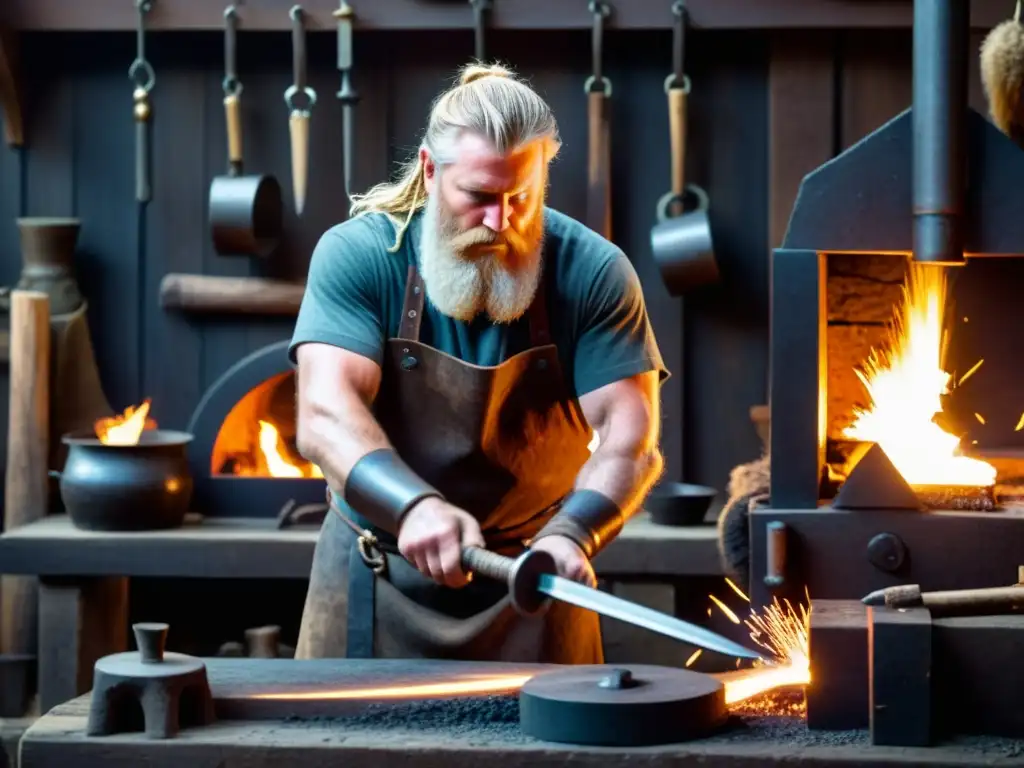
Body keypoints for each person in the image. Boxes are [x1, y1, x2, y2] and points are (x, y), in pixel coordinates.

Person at [289, 62, 668, 663]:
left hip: (537, 575)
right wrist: (413, 505)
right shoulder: (359, 255)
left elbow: (629, 439)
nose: (501, 221)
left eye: (521, 196)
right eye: (479, 197)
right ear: (430, 169)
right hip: (375, 567)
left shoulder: (594, 272)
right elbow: (323, 414)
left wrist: (575, 533)